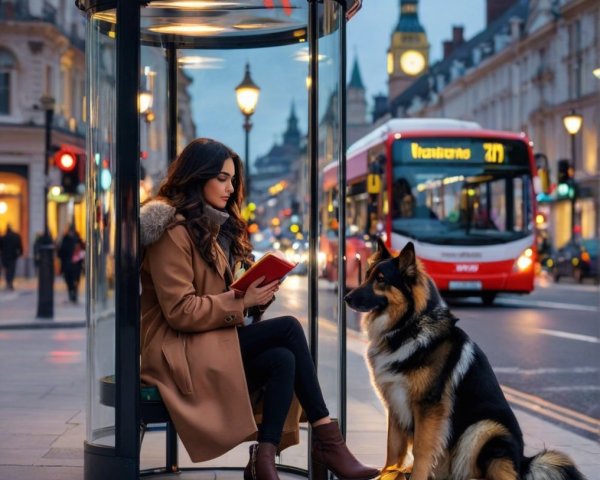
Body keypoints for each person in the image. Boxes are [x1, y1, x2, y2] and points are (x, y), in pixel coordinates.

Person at [140, 138, 379, 480]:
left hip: (202, 342)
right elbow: (181, 311)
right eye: (222, 178)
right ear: (198, 176)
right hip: (171, 350)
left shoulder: (208, 229)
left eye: (233, 179)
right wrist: (242, 300)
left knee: (284, 359)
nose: (231, 187)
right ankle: (328, 440)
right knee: (289, 329)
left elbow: (217, 300)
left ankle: (263, 460)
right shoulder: (170, 232)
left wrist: (256, 294)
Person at [57, 225, 85, 303]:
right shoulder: (77, 239)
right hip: (75, 265)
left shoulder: (66, 239)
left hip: (69, 265)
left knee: (69, 280)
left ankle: (72, 292)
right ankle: (73, 293)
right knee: (74, 280)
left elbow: (60, 253)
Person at [1, 224, 23, 290]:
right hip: (13, 256)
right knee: (11, 270)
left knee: (7, 270)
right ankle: (10, 282)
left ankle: (8, 282)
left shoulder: (3, 237)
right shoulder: (16, 237)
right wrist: (20, 253)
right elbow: (20, 246)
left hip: (5, 256)